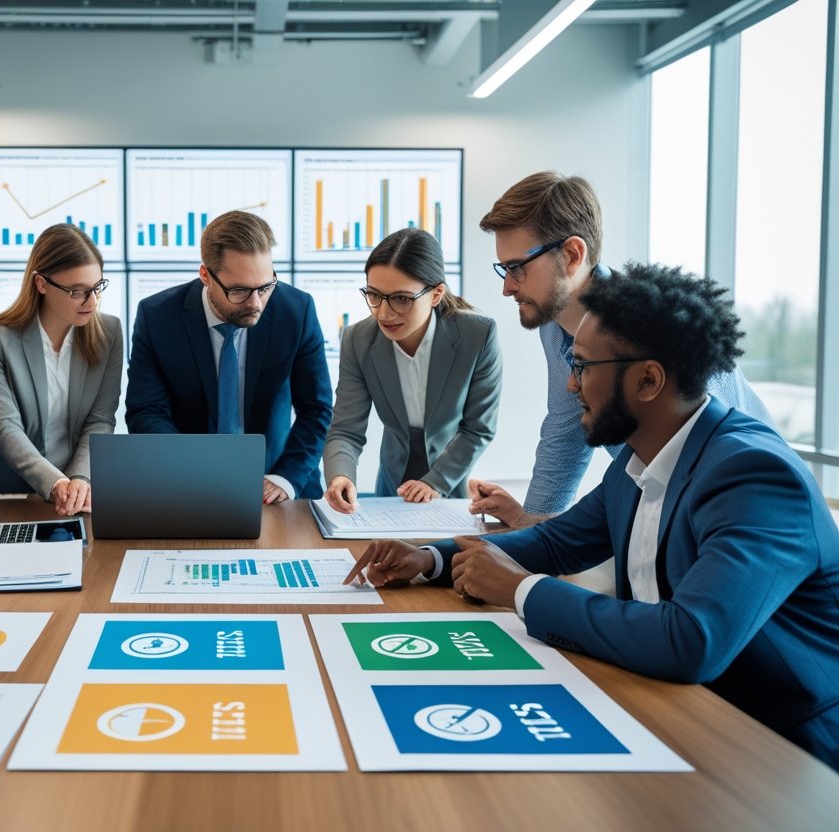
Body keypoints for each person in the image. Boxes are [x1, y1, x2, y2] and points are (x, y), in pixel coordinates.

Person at [345, 264, 839, 769]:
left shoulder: (753, 474)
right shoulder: (638, 458)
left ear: (648, 379)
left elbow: (691, 641)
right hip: (672, 713)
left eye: (582, 367)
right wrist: (428, 559)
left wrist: (521, 589)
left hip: (778, 752)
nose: (570, 387)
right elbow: (557, 542)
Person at [468, 172, 773, 527]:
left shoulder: (652, 323)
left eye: (517, 268)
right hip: (667, 511)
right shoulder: (554, 325)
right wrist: (532, 519)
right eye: (504, 269)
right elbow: (566, 427)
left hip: (740, 509)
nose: (507, 288)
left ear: (571, 254)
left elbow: (716, 442)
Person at [126, 210, 333, 502]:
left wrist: (285, 478)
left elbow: (317, 409)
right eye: (239, 290)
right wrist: (182, 468)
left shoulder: (296, 311)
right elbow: (146, 411)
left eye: (265, 287)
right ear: (205, 276)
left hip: (280, 482)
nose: (256, 303)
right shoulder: (158, 317)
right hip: (186, 485)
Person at [323, 228, 502, 511]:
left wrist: (436, 481)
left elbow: (479, 428)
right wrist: (340, 475)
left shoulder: (477, 335)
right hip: (391, 485)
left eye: (402, 299)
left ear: (436, 294)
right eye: (374, 295)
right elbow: (346, 429)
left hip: (450, 484)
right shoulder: (357, 339)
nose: (384, 313)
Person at [0, 223, 122, 516]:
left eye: (97, 288)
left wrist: (79, 478)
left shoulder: (109, 332)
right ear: (41, 284)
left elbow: (100, 420)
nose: (91, 302)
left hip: (82, 495)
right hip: (14, 495)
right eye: (77, 291)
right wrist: (56, 483)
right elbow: (5, 426)